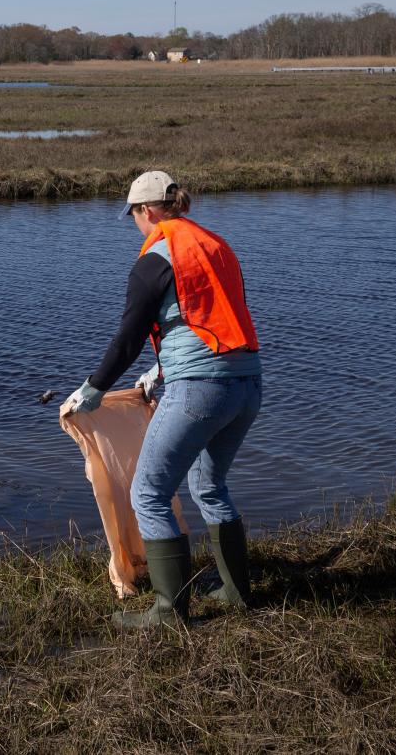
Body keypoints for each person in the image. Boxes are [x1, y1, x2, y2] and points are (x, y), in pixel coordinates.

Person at [61, 170, 262, 628]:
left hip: (201, 388)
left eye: (133, 213)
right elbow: (212, 319)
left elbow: (128, 336)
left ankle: (168, 614)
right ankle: (236, 592)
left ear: (147, 210)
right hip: (248, 381)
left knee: (148, 494)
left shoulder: (155, 256)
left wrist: (93, 389)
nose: (134, 221)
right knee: (209, 486)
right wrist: (160, 370)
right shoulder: (216, 244)